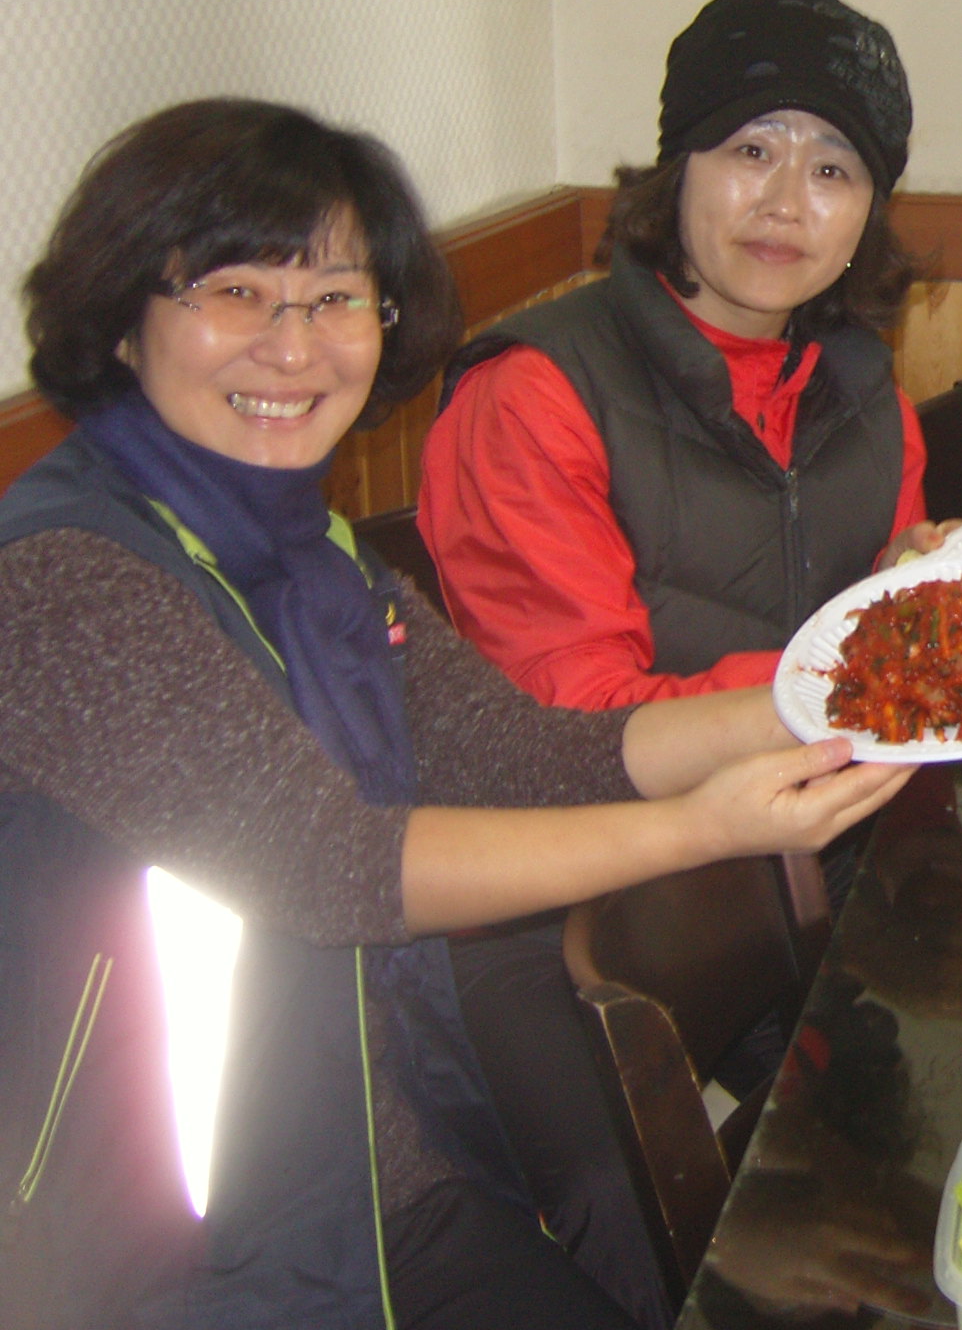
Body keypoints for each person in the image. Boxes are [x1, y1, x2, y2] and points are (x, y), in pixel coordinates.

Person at [0, 100, 916, 1330]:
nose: (293, 346)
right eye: (236, 292)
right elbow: (333, 867)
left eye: (335, 299)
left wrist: (838, 702)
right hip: (154, 1250)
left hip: (362, 1166)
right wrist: (707, 827)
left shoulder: (304, 548)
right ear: (124, 320)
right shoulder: (68, 578)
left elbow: (517, 753)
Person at [417, 0, 951, 709]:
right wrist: (857, 677)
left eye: (831, 171)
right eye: (752, 151)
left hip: (838, 777)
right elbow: (574, 722)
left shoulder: (874, 404)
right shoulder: (532, 396)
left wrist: (901, 591)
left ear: (868, 217)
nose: (785, 205)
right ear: (678, 171)